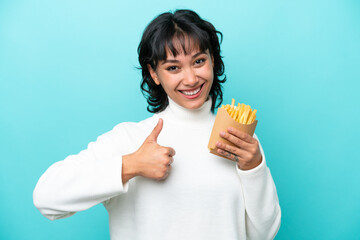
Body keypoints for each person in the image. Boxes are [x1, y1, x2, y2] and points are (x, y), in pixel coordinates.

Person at [33, 9, 281, 240]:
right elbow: (46, 198)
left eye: (198, 61)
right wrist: (130, 165)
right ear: (154, 74)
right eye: (173, 67)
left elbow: (263, 234)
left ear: (213, 61)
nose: (191, 79)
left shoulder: (239, 140)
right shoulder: (131, 139)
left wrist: (254, 167)